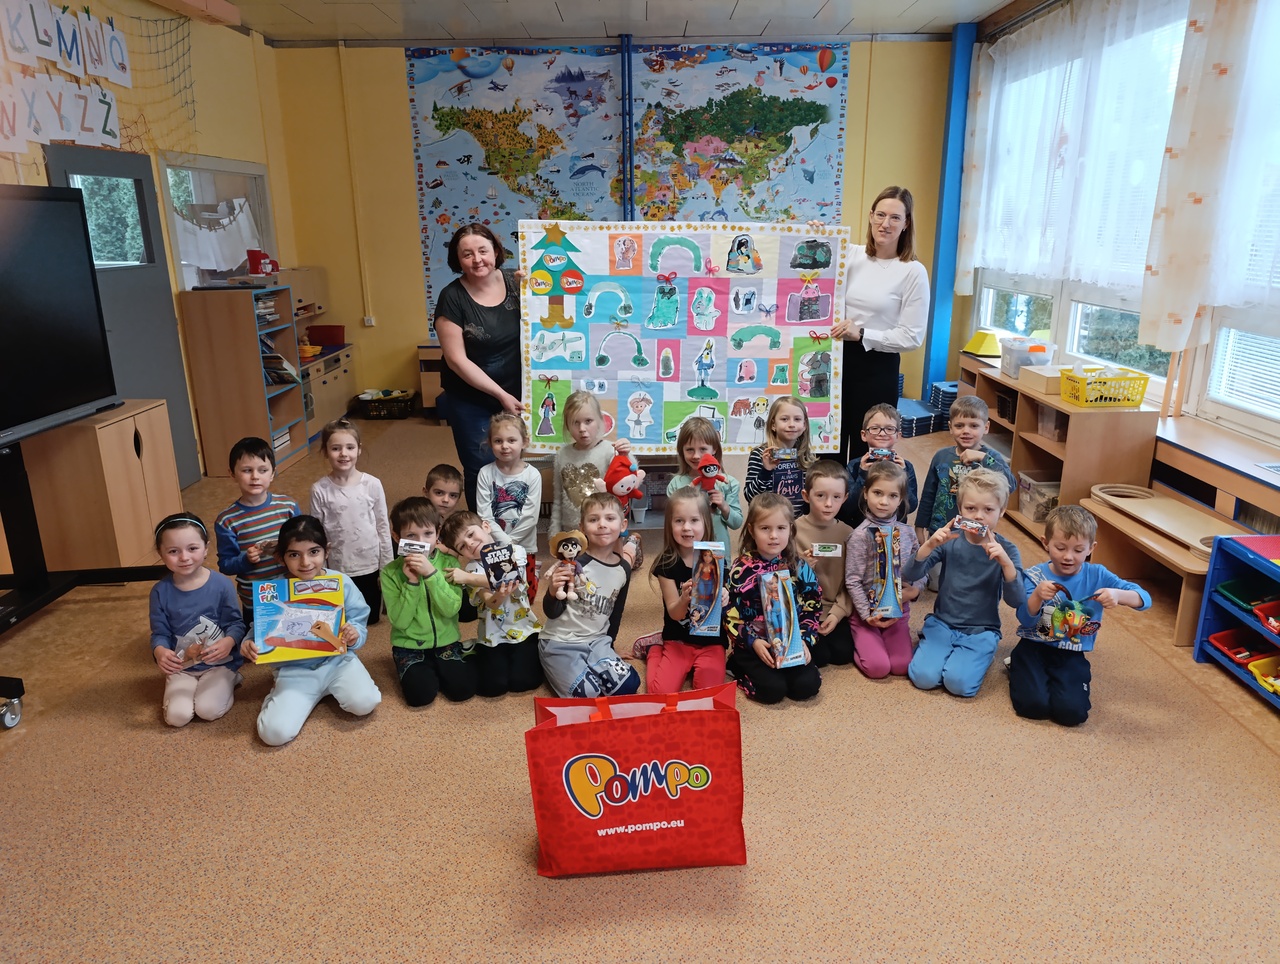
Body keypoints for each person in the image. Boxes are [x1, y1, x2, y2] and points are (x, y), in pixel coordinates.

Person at [240, 515, 381, 746]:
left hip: (338, 662)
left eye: (313, 552)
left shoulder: (341, 582)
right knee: (273, 734)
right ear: (281, 557)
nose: (305, 562)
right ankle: (280, 693)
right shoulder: (274, 590)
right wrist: (249, 642)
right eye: (294, 555)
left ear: (327, 551)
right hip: (293, 670)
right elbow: (261, 627)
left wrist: (354, 635)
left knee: (365, 703)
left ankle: (330, 688)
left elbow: (358, 619)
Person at [813, 186, 930, 463]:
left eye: (895, 217)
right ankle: (830, 493)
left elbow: (912, 337)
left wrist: (863, 334)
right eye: (880, 215)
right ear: (870, 216)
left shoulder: (912, 271)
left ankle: (864, 494)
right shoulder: (848, 255)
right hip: (833, 360)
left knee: (870, 449)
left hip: (877, 367)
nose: (885, 224)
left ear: (906, 223)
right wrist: (815, 235)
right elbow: (812, 272)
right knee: (828, 442)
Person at [1011, 505, 1151, 726]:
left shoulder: (1098, 574)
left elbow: (1144, 599)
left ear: (1091, 548)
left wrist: (1118, 595)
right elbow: (1025, 620)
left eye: (1078, 550)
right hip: (1033, 646)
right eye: (1060, 548)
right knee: (1033, 707)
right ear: (1045, 542)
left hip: (1071, 651)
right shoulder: (1034, 576)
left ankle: (1044, 680)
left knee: (1072, 714)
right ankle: (1017, 666)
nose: (1068, 557)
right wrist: (1037, 596)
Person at [903, 469, 1025, 698]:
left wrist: (1006, 565)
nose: (979, 516)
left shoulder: (1007, 550)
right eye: (970, 508)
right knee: (923, 678)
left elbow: (1017, 600)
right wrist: (929, 545)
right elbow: (909, 574)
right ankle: (941, 648)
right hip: (943, 623)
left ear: (1002, 511)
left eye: (988, 510)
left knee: (958, 684)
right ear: (960, 509)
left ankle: (981, 653)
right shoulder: (951, 539)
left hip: (981, 630)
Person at [433, 223, 525, 512]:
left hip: (516, 391)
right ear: (457, 260)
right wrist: (500, 395)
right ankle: (481, 527)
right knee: (480, 465)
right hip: (470, 398)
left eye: (483, 251)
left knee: (514, 459)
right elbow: (456, 360)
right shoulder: (452, 297)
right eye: (467, 254)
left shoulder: (516, 282)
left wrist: (538, 288)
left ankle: (512, 520)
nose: (477, 260)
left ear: (495, 251)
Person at [724, 493, 823, 704]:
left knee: (807, 686)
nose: (774, 536)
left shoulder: (799, 566)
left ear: (790, 529)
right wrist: (752, 642)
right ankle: (736, 666)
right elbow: (730, 612)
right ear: (752, 530)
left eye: (781, 528)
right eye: (765, 528)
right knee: (772, 691)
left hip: (791, 642)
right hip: (755, 644)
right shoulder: (740, 569)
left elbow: (812, 606)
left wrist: (805, 640)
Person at [540, 493, 641, 698]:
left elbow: (616, 612)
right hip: (561, 642)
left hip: (597, 642)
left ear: (622, 525)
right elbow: (552, 612)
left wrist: (610, 647)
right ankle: (550, 663)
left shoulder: (623, 568)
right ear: (582, 527)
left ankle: (590, 664)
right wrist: (552, 591)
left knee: (629, 685)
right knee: (587, 694)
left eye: (610, 518)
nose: (602, 524)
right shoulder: (573, 564)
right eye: (594, 519)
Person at [149, 513, 245, 727]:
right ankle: (196, 687)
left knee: (208, 710)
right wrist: (160, 652)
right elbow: (159, 633)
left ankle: (231, 678)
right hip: (182, 666)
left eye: (192, 548)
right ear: (161, 553)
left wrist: (229, 641)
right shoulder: (159, 591)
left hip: (219, 664)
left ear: (206, 548)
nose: (184, 557)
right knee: (177, 717)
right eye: (173, 551)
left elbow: (236, 624)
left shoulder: (221, 584)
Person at [379, 497, 472, 706]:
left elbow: (452, 609)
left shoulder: (449, 563)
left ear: (438, 533)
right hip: (409, 646)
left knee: (462, 690)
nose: (421, 542)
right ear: (397, 537)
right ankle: (413, 666)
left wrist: (431, 574)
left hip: (446, 641)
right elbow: (400, 622)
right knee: (420, 697)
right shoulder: (390, 573)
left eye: (428, 534)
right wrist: (411, 583)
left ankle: (455, 658)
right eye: (411, 535)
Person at [440, 511, 544, 697]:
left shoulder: (515, 551)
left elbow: (511, 577)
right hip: (491, 636)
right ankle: (474, 650)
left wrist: (468, 578)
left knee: (525, 682)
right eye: (462, 546)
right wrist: (499, 595)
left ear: (486, 527)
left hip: (524, 630)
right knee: (492, 687)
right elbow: (491, 602)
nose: (470, 544)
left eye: (471, 534)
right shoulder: (471, 568)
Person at [844, 461, 926, 679]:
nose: (883, 501)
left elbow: (921, 570)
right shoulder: (859, 536)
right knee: (877, 668)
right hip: (866, 615)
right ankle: (859, 641)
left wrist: (916, 590)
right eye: (877, 493)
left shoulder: (907, 534)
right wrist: (866, 615)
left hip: (898, 612)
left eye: (892, 496)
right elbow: (852, 580)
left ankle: (885, 641)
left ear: (901, 499)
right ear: (866, 493)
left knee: (901, 666)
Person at [644, 487, 728, 694]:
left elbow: (725, 606)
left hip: (711, 642)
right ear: (669, 525)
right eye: (679, 521)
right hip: (678, 639)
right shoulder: (666, 564)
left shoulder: (717, 559)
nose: (686, 527)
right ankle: (653, 650)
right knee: (660, 694)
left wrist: (725, 595)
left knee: (708, 695)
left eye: (694, 520)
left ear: (706, 523)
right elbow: (674, 612)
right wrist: (684, 599)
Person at [309, 418, 392, 624]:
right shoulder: (319, 489)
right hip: (338, 565)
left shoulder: (372, 484)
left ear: (359, 449)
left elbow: (382, 527)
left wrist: (386, 567)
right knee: (341, 620)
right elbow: (316, 534)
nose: (343, 453)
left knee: (370, 619)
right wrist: (320, 569)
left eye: (350, 447)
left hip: (370, 563)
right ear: (326, 451)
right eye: (336, 448)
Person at [215, 436, 300, 609]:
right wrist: (245, 559)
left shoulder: (288, 506)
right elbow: (225, 565)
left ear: (272, 473)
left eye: (263, 470)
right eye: (247, 470)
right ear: (232, 474)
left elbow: (305, 543)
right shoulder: (227, 520)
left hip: (292, 590)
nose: (255, 477)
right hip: (255, 600)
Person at [916, 395, 1016, 541]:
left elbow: (1010, 485)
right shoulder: (941, 456)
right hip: (941, 531)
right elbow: (928, 495)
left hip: (975, 534)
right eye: (959, 425)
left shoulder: (991, 458)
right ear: (950, 427)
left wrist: (983, 458)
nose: (966, 431)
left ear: (986, 427)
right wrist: (920, 525)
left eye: (974, 426)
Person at [547, 390, 630, 545]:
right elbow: (558, 498)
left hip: (604, 533)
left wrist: (625, 456)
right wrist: (555, 533)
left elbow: (629, 484)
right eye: (575, 422)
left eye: (588, 421)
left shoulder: (609, 451)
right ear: (567, 425)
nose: (582, 428)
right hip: (572, 534)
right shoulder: (562, 455)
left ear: (599, 420)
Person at [794, 461, 855, 667]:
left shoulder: (849, 534)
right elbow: (780, 578)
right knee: (819, 658)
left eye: (836, 497)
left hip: (833, 607)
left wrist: (837, 614)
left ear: (845, 498)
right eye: (820, 496)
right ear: (806, 496)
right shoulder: (792, 531)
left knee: (843, 653)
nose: (828, 504)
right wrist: (802, 568)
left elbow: (851, 581)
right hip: (802, 609)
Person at [474, 413, 542, 592]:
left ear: (524, 442)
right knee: (498, 589)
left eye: (511, 440)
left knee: (525, 591)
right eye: (498, 441)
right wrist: (505, 542)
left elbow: (530, 516)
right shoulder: (485, 473)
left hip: (525, 545)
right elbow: (484, 514)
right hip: (494, 545)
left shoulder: (533, 474)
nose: (504, 446)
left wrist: (511, 542)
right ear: (490, 443)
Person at [666, 416, 743, 550]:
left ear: (714, 449)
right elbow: (671, 524)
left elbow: (736, 523)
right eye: (690, 449)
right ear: (682, 451)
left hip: (717, 553)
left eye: (703, 449)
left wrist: (724, 506)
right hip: (686, 552)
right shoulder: (675, 484)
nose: (696, 456)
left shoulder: (728, 483)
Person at [843, 402, 918, 527]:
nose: (882, 433)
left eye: (889, 429)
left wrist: (903, 476)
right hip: (860, 530)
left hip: (894, 531)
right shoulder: (855, 466)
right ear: (864, 435)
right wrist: (862, 475)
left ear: (898, 436)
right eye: (875, 428)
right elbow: (848, 507)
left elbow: (911, 506)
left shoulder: (906, 467)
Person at [742, 396, 815, 517]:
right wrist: (766, 471)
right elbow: (750, 496)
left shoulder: (806, 457)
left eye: (797, 419)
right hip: (767, 522)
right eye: (784, 419)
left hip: (797, 524)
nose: (791, 424)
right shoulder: (760, 454)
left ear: (804, 425)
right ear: (773, 425)